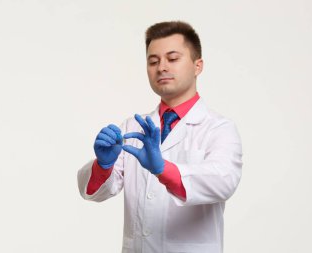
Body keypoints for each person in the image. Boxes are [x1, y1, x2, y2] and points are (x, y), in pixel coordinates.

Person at [77, 21, 243, 253]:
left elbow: (222, 181)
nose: (161, 67)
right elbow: (97, 192)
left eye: (172, 59)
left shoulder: (218, 128)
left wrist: (162, 169)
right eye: (153, 61)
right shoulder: (133, 126)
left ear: (198, 66)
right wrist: (103, 165)